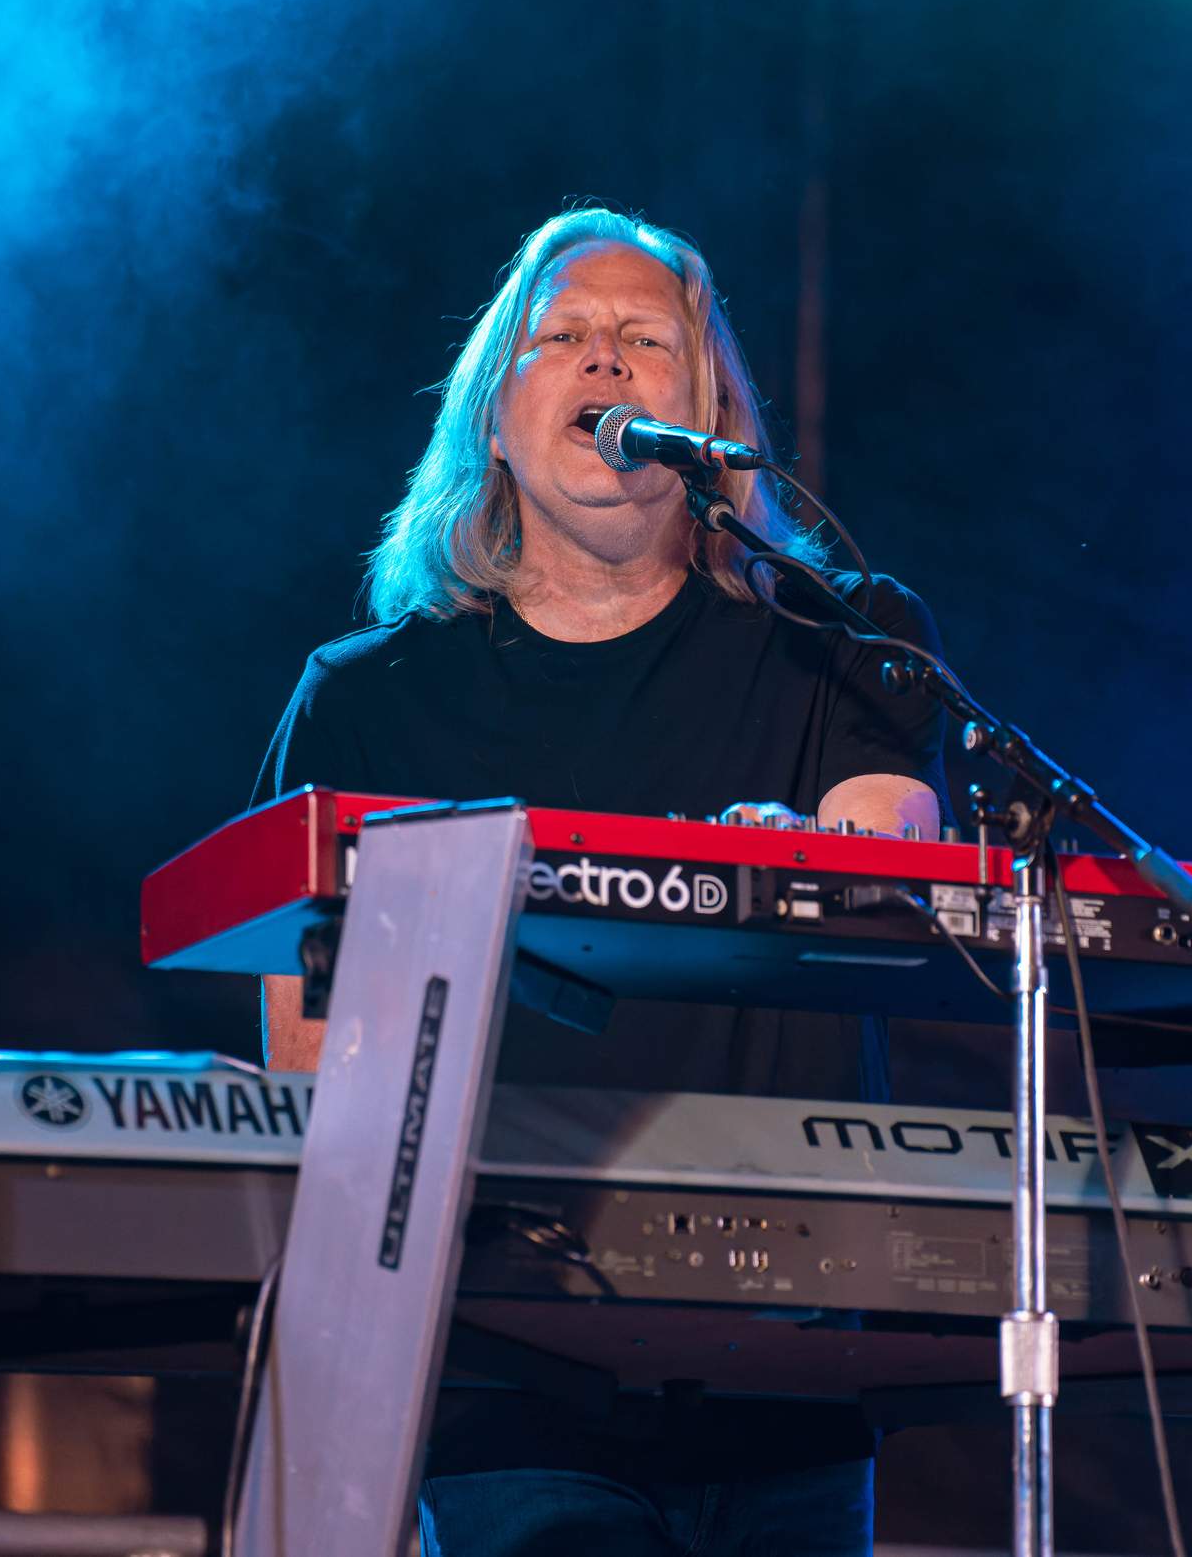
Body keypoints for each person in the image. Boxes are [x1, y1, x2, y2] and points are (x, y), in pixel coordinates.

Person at [254, 206, 949, 1556]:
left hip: (786, 1366)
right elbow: (308, 1042)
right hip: (504, 1369)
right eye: (563, 338)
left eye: (647, 341)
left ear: (710, 415)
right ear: (495, 418)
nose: (606, 363)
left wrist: (792, 868)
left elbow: (890, 856)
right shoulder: (366, 699)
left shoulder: (844, 644)